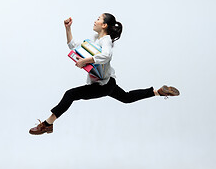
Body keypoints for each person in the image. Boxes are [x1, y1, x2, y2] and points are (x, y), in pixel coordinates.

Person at [29, 13, 180, 135]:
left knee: (70, 94)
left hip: (102, 85)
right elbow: (73, 45)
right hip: (108, 82)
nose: (94, 21)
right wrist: (68, 29)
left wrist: (85, 61)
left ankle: (47, 124)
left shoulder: (106, 40)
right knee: (126, 97)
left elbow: (107, 55)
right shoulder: (96, 39)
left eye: (98, 19)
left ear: (104, 25)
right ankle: (157, 92)